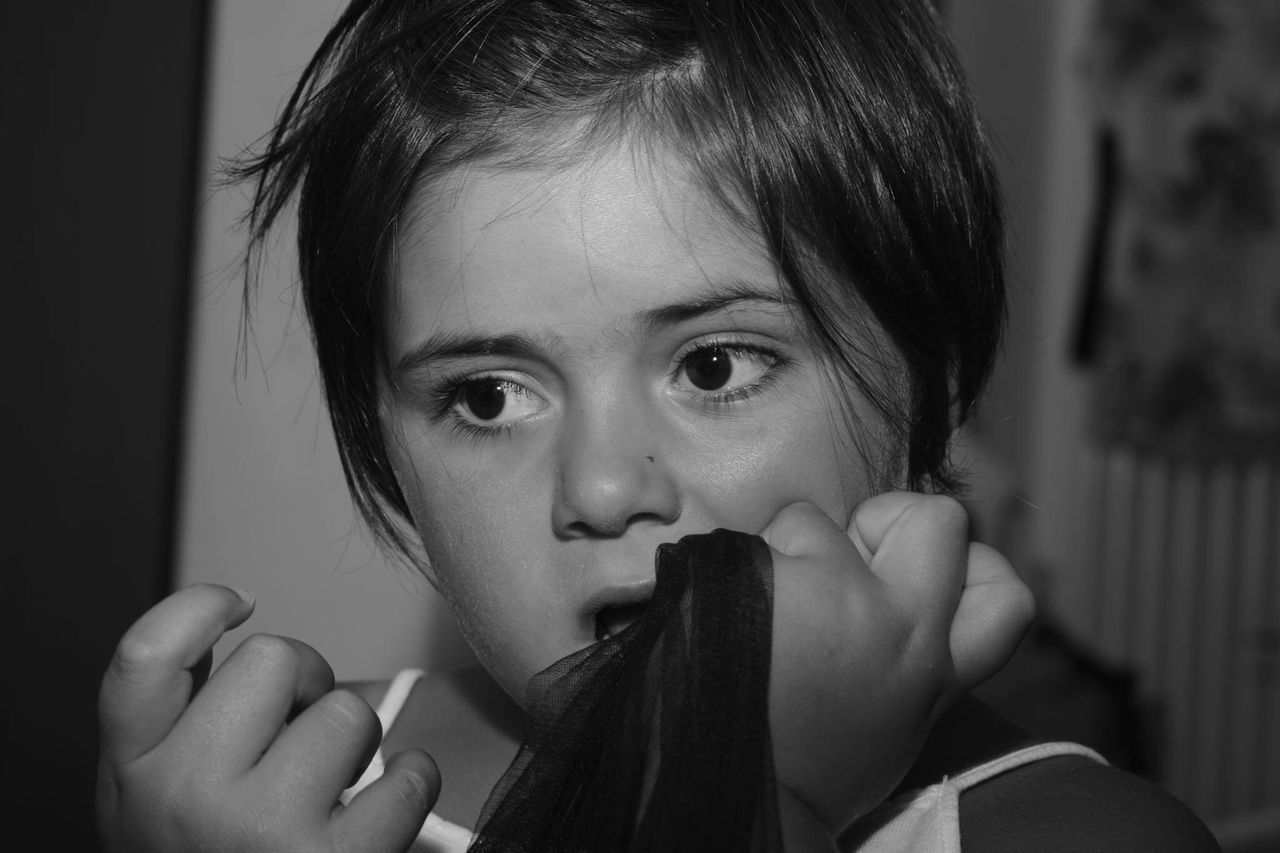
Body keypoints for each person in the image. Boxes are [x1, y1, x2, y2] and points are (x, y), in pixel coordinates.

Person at [96, 1, 1220, 850]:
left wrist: (769, 796)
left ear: (924, 386)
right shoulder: (289, 805)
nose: (598, 487)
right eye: (486, 396)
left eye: (714, 365)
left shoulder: (1080, 833)